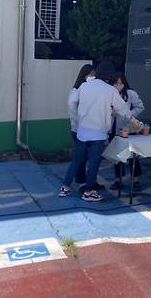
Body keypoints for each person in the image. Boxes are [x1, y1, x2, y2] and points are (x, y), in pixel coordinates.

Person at [61, 61, 138, 202]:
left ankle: (65, 187)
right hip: (98, 132)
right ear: (110, 74)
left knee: (77, 159)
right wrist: (135, 123)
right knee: (94, 162)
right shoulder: (110, 90)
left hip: (82, 130)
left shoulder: (84, 86)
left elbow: (71, 102)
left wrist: (77, 119)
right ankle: (88, 192)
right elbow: (123, 110)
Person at [110, 73, 145, 191]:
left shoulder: (130, 94)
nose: (118, 86)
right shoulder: (109, 94)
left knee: (132, 154)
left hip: (129, 128)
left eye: (120, 83)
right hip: (114, 128)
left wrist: (129, 115)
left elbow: (140, 107)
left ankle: (136, 179)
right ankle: (118, 179)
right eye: (115, 83)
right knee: (117, 155)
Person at [67, 64, 96, 190]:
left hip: (90, 129)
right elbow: (72, 108)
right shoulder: (77, 90)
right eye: (91, 74)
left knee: (90, 157)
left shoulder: (91, 90)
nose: (93, 77)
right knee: (81, 157)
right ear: (84, 75)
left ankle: (90, 181)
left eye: (94, 75)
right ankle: (81, 182)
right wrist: (80, 122)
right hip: (79, 129)